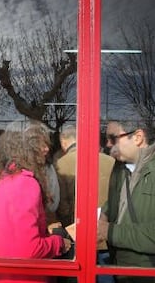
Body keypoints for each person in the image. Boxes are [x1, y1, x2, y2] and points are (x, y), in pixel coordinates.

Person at [0, 122, 72, 283]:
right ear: (23, 146)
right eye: (38, 142)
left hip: (0, 274)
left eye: (46, 143)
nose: (46, 149)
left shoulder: (3, 178)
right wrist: (58, 243)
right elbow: (29, 249)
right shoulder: (26, 183)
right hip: (22, 277)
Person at [98, 120, 155, 283]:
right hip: (121, 267)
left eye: (113, 138)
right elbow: (118, 199)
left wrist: (110, 232)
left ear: (138, 137)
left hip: (146, 272)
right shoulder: (120, 168)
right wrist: (105, 213)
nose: (108, 144)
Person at [55, 125, 115, 228]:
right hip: (109, 224)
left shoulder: (61, 164)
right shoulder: (110, 161)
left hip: (78, 224)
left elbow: (63, 205)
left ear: (64, 142)